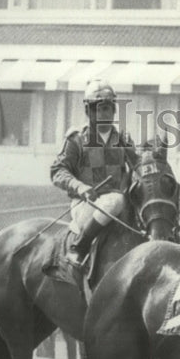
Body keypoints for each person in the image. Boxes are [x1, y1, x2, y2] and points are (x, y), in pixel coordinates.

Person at [51, 79, 141, 266]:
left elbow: (138, 168)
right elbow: (58, 171)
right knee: (115, 200)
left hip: (118, 210)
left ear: (114, 110)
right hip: (85, 205)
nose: (102, 113)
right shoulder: (76, 140)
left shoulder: (123, 139)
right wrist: (80, 186)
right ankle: (79, 247)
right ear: (87, 111)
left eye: (106, 108)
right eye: (96, 109)